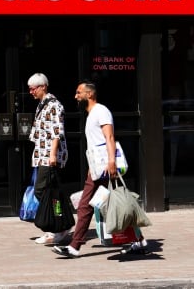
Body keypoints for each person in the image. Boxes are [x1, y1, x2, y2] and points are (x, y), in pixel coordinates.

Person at [52, 80, 147, 258]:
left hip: (106, 168)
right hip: (98, 168)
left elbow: (109, 137)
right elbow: (96, 144)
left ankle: (74, 246)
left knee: (86, 206)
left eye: (78, 92)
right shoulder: (92, 114)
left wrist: (111, 161)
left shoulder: (101, 111)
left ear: (90, 94)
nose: (76, 96)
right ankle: (139, 240)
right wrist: (91, 167)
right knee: (114, 204)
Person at [27, 73, 69, 245]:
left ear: (43, 86)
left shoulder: (54, 106)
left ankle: (56, 228)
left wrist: (52, 155)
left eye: (33, 88)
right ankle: (59, 226)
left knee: (42, 191)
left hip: (49, 156)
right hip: (42, 155)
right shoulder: (42, 105)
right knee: (52, 193)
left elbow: (57, 132)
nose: (31, 92)